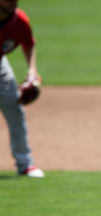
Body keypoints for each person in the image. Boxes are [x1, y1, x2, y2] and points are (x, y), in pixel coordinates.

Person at [0, 0, 43, 178]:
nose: (12, 3)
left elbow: (29, 43)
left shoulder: (19, 20)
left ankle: (25, 164)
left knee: (14, 107)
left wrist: (32, 71)